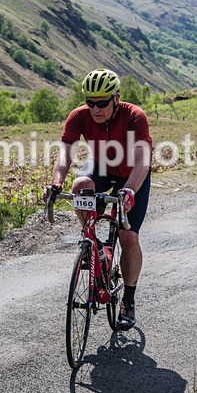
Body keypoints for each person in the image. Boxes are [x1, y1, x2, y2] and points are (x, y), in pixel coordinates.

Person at [45, 69, 152, 331]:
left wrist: (129, 191)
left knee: (128, 236)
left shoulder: (135, 116)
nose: (95, 109)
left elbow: (142, 162)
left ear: (116, 98)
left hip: (131, 175)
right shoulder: (78, 116)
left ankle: (128, 299)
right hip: (103, 169)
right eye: (90, 102)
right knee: (81, 185)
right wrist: (56, 182)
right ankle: (93, 243)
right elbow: (64, 156)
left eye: (102, 103)